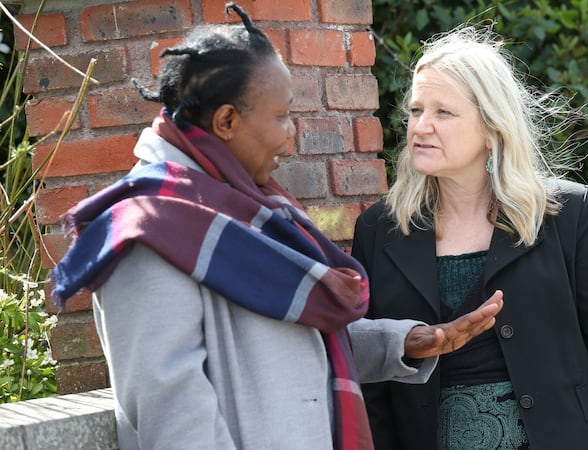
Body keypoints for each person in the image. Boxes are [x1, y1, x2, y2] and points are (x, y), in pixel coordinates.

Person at [49, 5, 503, 450]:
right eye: (281, 115)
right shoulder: (147, 233)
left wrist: (399, 342)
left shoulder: (243, 210)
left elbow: (281, 347)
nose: (291, 133)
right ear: (227, 121)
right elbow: (173, 418)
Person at [351, 25, 588, 450]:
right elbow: (373, 387)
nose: (421, 126)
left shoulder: (568, 216)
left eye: (444, 112)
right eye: (416, 110)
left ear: (492, 128)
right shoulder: (379, 230)